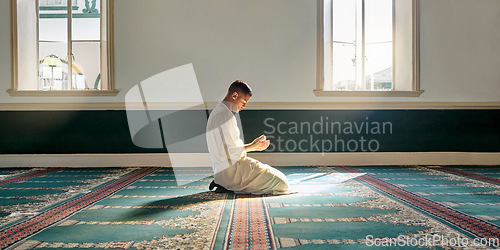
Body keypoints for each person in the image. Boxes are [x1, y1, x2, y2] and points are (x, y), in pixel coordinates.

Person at [206, 80, 291, 195]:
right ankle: (226, 183)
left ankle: (222, 182)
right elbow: (228, 152)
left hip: (226, 169)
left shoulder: (222, 112)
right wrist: (252, 146)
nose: (244, 106)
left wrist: (253, 146)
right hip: (231, 171)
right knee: (281, 184)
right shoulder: (224, 116)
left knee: (280, 178)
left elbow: (229, 149)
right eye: (244, 101)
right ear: (235, 95)